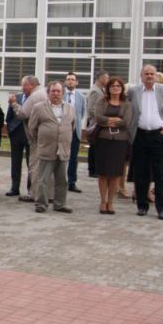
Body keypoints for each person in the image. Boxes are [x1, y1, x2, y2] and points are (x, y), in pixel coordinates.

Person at [128, 65, 163, 220]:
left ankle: (162, 208)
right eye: (146, 73)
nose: (149, 76)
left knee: (160, 174)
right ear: (141, 76)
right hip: (140, 136)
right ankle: (142, 206)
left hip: (158, 136)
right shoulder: (134, 91)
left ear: (155, 75)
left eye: (151, 73)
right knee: (140, 173)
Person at [28, 81, 76, 213]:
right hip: (46, 149)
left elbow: (72, 126)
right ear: (48, 93)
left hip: (63, 149)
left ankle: (60, 204)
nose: (55, 94)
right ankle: (41, 204)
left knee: (62, 180)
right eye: (53, 91)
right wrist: (42, 140)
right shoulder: (39, 107)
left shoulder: (70, 108)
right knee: (43, 179)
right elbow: (32, 128)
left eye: (58, 91)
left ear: (62, 93)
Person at [93, 77, 131, 215]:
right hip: (104, 140)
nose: (115, 88)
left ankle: (111, 202)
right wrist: (115, 120)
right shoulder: (101, 101)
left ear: (122, 88)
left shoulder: (126, 103)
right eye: (112, 86)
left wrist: (109, 121)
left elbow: (126, 121)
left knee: (116, 173)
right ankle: (103, 201)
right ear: (108, 88)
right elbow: (98, 117)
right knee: (103, 173)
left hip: (120, 141)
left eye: (118, 86)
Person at [8, 75, 47, 202]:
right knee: (18, 163)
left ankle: (33, 193)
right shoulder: (43, 92)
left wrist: (13, 104)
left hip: (33, 136)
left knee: (33, 165)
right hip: (19, 134)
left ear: (32, 85)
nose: (22, 88)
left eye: (24, 85)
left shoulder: (35, 95)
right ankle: (17, 188)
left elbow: (22, 114)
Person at [64, 72, 86, 193]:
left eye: (72, 79)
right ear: (65, 82)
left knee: (73, 158)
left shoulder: (81, 97)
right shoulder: (60, 94)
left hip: (75, 131)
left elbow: (81, 113)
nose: (70, 81)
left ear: (76, 82)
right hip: (62, 130)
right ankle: (59, 181)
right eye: (68, 79)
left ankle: (72, 182)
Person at [87, 70, 110, 177]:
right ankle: (92, 170)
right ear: (100, 78)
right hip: (96, 123)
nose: (108, 80)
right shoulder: (95, 91)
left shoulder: (102, 90)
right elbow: (91, 109)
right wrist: (101, 118)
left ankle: (97, 168)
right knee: (94, 147)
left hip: (100, 123)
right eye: (107, 78)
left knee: (97, 147)